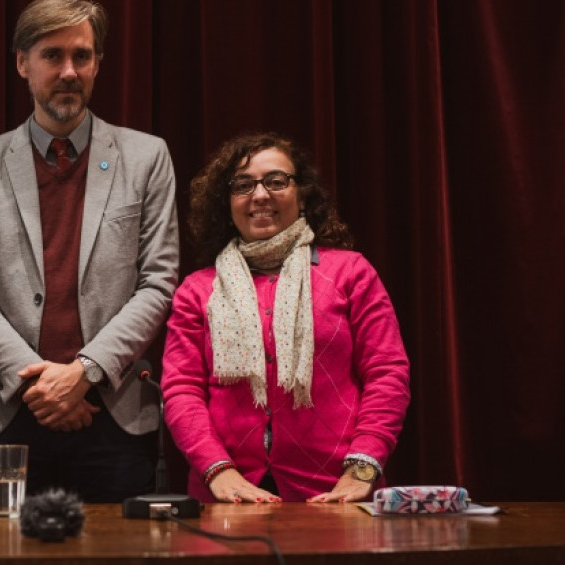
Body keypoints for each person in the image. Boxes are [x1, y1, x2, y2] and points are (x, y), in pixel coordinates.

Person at [0, 0, 179, 502]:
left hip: (112, 415)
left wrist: (84, 372)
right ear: (22, 63)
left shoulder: (146, 157)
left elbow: (158, 283)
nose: (69, 71)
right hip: (6, 413)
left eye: (83, 55)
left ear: (98, 63)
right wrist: (41, 384)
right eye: (52, 55)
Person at [162, 132, 410, 504]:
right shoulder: (197, 290)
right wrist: (218, 470)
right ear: (226, 203)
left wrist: (361, 470)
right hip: (227, 498)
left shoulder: (351, 273)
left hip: (336, 495)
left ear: (303, 194)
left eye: (276, 181)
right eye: (243, 185)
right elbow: (182, 391)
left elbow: (387, 374)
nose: (260, 195)